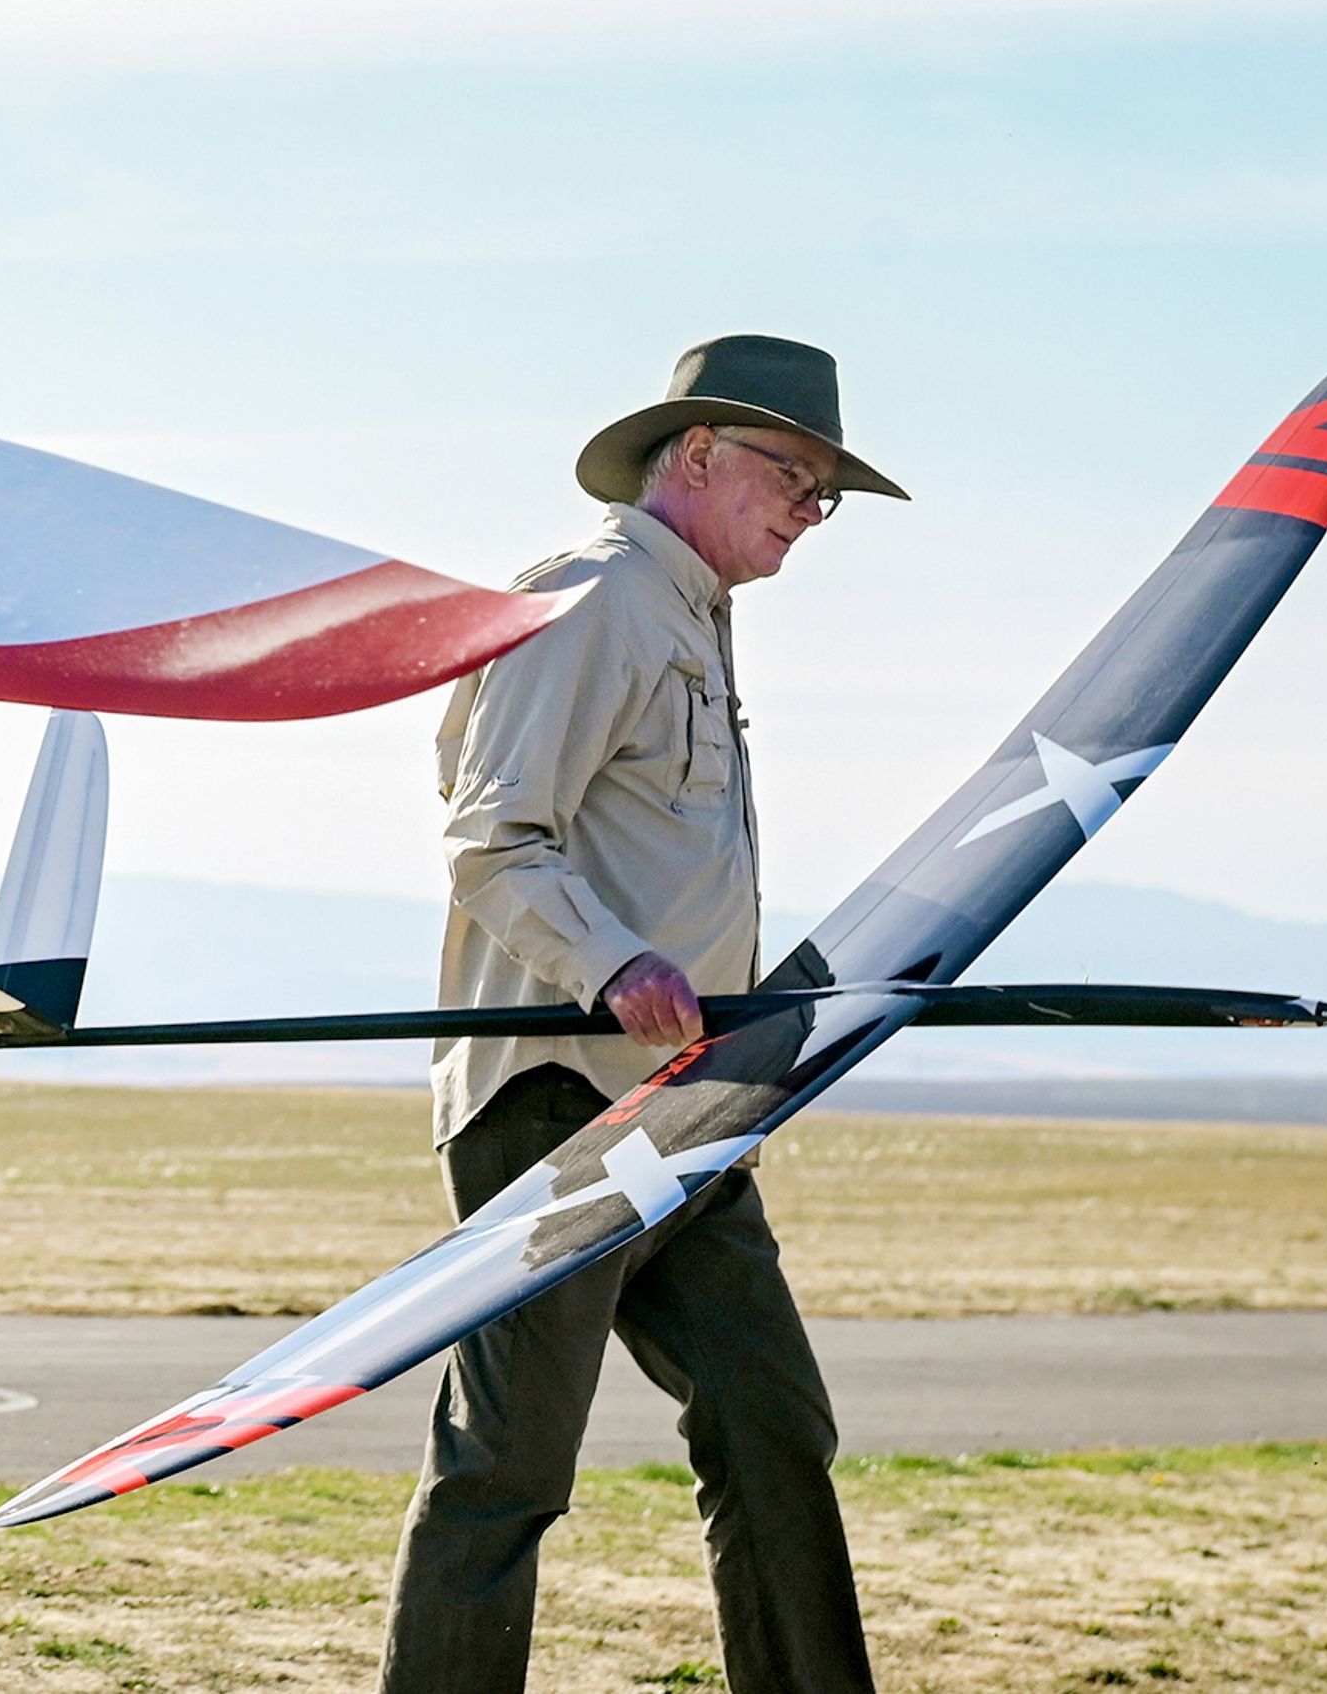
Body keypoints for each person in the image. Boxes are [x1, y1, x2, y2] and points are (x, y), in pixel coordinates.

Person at [378, 335, 906, 1694]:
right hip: (557, 1095)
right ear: (699, 453)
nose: (808, 508)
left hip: (687, 1097)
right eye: (794, 473)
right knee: (507, 1466)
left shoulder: (689, 614)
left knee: (771, 1422)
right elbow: (492, 840)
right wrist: (615, 965)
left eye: (825, 491)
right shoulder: (597, 596)